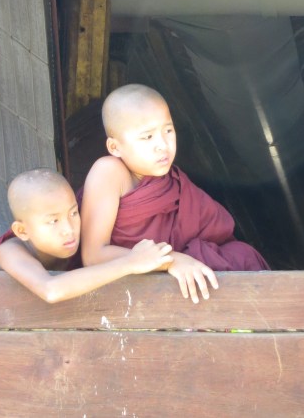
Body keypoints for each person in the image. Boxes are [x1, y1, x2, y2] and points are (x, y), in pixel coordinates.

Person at [80, 84, 269, 304]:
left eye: (168, 130)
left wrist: (180, 260)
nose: (163, 145)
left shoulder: (174, 185)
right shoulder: (109, 171)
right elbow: (93, 256)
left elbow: (216, 233)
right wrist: (170, 261)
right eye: (147, 137)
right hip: (126, 289)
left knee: (242, 255)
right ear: (115, 147)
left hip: (167, 281)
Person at [0, 167, 173, 303]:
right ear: (22, 231)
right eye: (53, 221)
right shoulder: (9, 251)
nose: (69, 229)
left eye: (73, 213)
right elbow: (51, 290)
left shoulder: (84, 240)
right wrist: (131, 262)